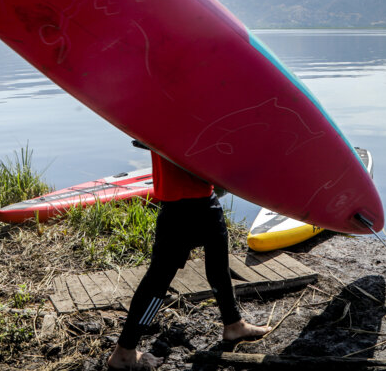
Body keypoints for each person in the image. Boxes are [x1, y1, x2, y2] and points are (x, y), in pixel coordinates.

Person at [108, 145, 272, 368]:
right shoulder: (171, 110)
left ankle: (233, 324)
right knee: (158, 282)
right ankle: (125, 351)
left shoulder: (159, 109)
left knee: (216, 265)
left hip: (190, 199)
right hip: (186, 203)